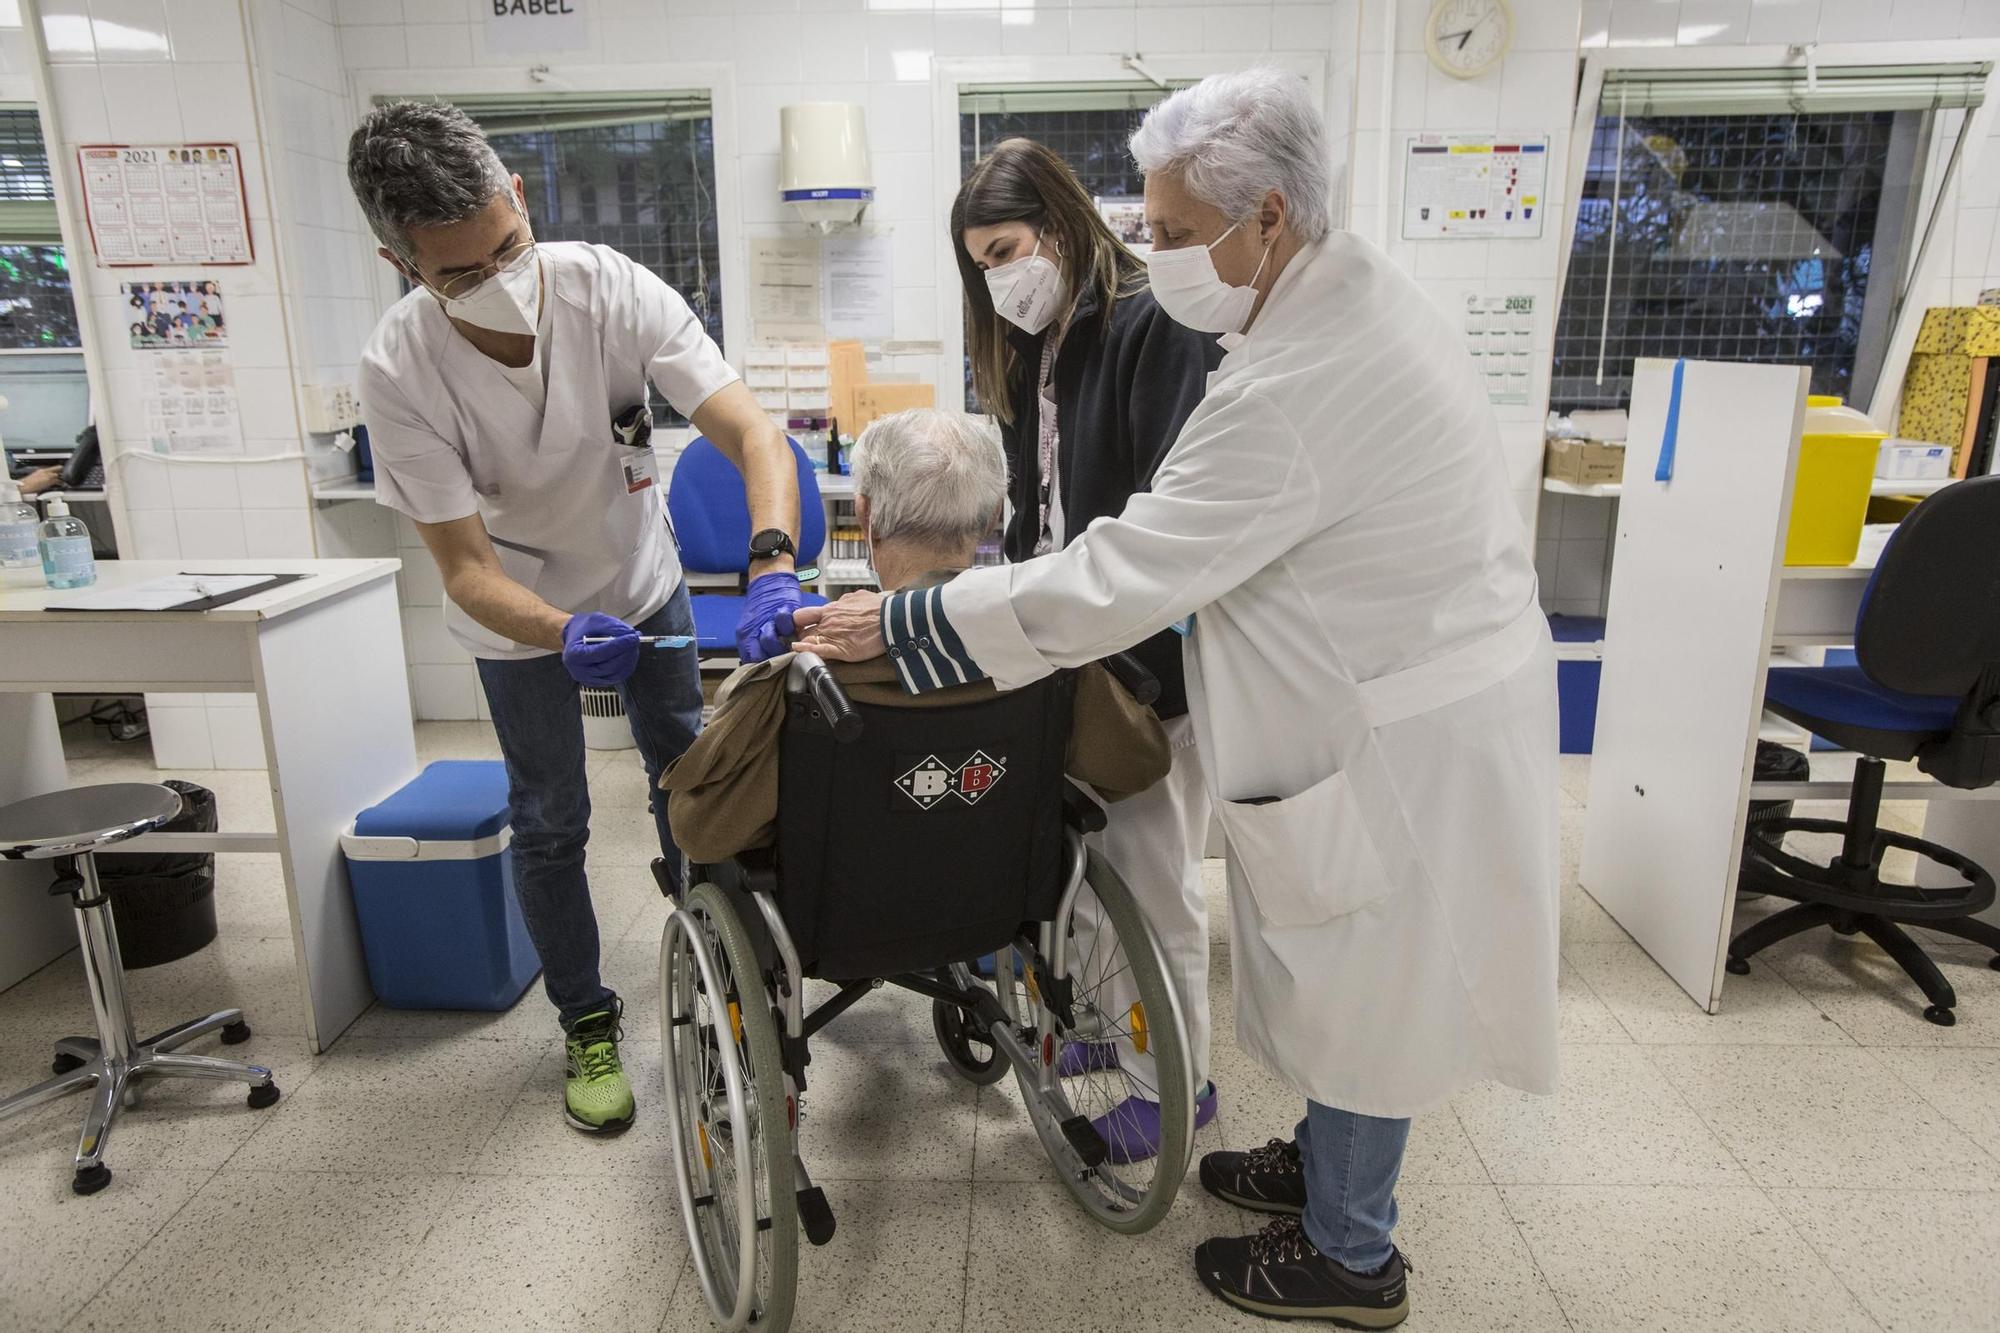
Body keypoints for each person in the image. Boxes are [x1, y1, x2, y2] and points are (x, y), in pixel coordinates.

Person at [794, 68, 1560, 1327]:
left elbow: (1128, 565)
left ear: (1266, 218)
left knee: (1366, 989)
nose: (1146, 254)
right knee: (1343, 970)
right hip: (1381, 698)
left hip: (1397, 735)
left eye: (1164, 232)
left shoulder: (1287, 382)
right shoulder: (1333, 303)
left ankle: (1348, 1257)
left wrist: (914, 615)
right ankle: (1321, 1172)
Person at [349, 101, 810, 1138]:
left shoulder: (609, 285)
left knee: (689, 776)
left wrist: (773, 560)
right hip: (515, 619)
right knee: (551, 817)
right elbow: (463, 569)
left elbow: (748, 429)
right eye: (459, 274)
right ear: (400, 262)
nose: (497, 282)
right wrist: (555, 630)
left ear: (516, 194)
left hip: (642, 579)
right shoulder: (398, 371)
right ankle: (585, 1018)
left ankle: (718, 967)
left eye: (506, 248)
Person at [951, 137, 1225, 1161]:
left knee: (1155, 887)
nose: (996, 276)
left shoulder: (1157, 325)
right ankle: (1117, 1033)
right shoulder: (1041, 345)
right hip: (1077, 652)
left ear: (1061, 228)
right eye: (979, 262)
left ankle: (1178, 1088)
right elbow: (1037, 511)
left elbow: (1169, 522)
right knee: (1095, 873)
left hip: (1152, 664)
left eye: (1005, 249)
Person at [659, 407, 1168, 861]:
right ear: (994, 516)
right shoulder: (1044, 648)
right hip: (997, 897)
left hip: (844, 916)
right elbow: (1138, 767)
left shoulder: (807, 676)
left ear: (864, 515)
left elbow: (701, 831)